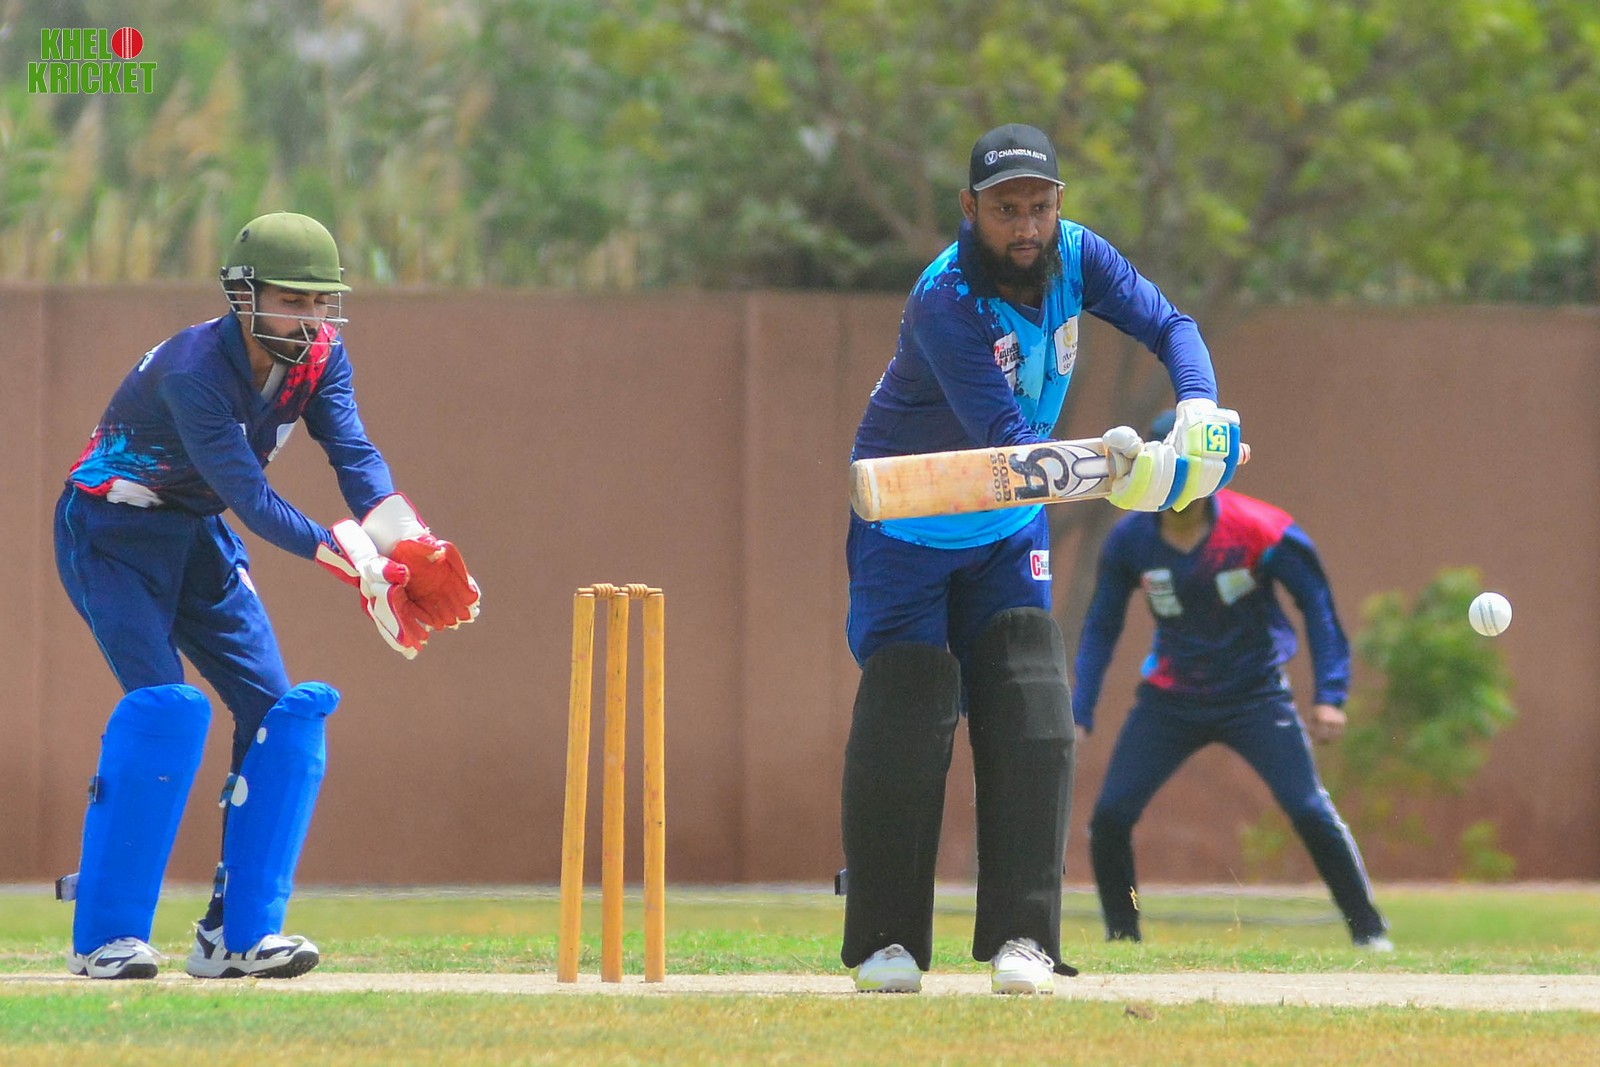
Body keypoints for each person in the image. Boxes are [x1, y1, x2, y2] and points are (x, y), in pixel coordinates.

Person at [840, 123, 1243, 995]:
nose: (1024, 227)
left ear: (1059, 204)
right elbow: (1010, 442)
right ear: (969, 208)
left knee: (1034, 710)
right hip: (909, 525)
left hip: (1007, 527)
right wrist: (1126, 471)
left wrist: (1199, 407)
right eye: (1005, 210)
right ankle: (885, 941)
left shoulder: (1080, 255)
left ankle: (1023, 937)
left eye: (1038, 207)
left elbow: (1171, 324)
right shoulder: (946, 300)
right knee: (911, 706)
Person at [54, 211, 480, 980]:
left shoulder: (323, 356)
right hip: (111, 531)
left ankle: (236, 935)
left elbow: (354, 453)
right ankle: (106, 937)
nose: (310, 319)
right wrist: (355, 562)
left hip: (196, 533)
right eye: (292, 300)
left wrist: (409, 541)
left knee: (278, 716)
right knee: (165, 710)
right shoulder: (193, 371)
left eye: (320, 302)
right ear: (243, 295)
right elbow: (250, 498)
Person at [1073, 409, 1390, 950]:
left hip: (1255, 696)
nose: (1177, 487)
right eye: (1164, 471)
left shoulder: (1260, 529)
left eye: (1187, 470)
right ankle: (1123, 938)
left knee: (1308, 808)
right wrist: (1080, 709)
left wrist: (1330, 695)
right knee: (1110, 816)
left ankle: (1369, 932)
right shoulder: (1129, 543)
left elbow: (1317, 603)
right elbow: (1102, 624)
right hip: (1170, 699)